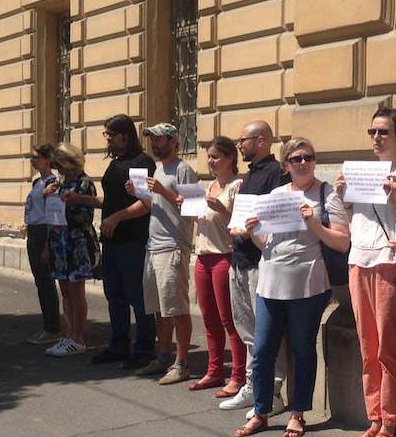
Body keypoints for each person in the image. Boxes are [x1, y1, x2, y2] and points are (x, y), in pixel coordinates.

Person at [234, 138, 350, 437]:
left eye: (308, 158)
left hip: (308, 285)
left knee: (302, 349)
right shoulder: (274, 196)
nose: (302, 163)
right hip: (271, 282)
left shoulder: (326, 195)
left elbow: (341, 241)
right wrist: (252, 230)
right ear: (286, 165)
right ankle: (261, 411)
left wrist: (313, 224)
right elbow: (266, 243)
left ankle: (298, 412)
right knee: (262, 351)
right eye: (296, 159)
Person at [335, 107, 396, 437]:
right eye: (372, 132)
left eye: (384, 132)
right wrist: (341, 195)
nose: (376, 138)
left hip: (389, 262)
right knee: (367, 346)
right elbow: (350, 217)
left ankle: (391, 422)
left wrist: (394, 199)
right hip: (359, 259)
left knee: (389, 348)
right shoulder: (361, 171)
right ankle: (374, 419)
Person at [220, 121, 291, 410]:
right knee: (246, 327)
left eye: (243, 140)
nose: (239, 145)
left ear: (261, 140)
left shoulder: (276, 174)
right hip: (239, 260)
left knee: (265, 331)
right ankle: (253, 383)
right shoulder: (249, 176)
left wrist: (254, 231)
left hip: (260, 262)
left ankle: (270, 388)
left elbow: (277, 219)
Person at [77, 114, 157, 368]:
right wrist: (81, 200)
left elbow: (145, 204)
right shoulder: (115, 163)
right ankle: (119, 345)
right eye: (106, 134)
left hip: (132, 241)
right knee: (114, 295)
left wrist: (117, 218)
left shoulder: (140, 162)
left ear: (125, 134)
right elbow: (110, 200)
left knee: (137, 296)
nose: (108, 139)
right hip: (112, 242)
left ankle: (144, 349)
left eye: (111, 134)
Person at [124, 123, 198, 386]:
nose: (154, 144)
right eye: (152, 140)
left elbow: (194, 209)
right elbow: (155, 206)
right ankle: (163, 355)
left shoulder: (183, 169)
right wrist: (140, 195)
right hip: (153, 246)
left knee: (177, 308)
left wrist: (163, 191)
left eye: (158, 139)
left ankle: (182, 363)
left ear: (172, 140)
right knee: (160, 309)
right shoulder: (157, 169)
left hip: (173, 246)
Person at [191, 137, 246, 395]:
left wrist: (222, 209)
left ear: (230, 158)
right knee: (209, 318)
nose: (211, 161)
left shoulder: (237, 186)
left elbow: (240, 222)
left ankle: (237, 375)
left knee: (229, 320)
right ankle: (214, 372)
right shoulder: (209, 185)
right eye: (209, 157)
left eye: (215, 157)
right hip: (202, 256)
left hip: (224, 256)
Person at [44, 143, 101, 357]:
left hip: (77, 242)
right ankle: (67, 336)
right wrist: (48, 196)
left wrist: (69, 205)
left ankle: (78, 338)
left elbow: (86, 216)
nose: (57, 169)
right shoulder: (59, 183)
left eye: (60, 164)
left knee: (77, 293)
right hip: (59, 242)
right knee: (65, 292)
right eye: (55, 164)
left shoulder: (84, 183)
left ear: (70, 162)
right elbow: (50, 216)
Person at [24, 144, 62, 345]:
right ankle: (48, 325)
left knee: (46, 281)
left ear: (48, 159)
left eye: (36, 157)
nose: (32, 160)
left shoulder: (52, 182)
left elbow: (52, 214)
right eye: (31, 157)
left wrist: (48, 244)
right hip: (34, 232)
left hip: (44, 233)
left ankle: (53, 327)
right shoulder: (37, 182)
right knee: (40, 281)